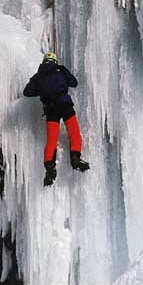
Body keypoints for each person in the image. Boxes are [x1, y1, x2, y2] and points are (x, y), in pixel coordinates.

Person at [24, 51, 90, 186]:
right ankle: (75, 159)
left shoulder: (38, 76)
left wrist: (39, 85)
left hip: (51, 110)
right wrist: (63, 70)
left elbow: (27, 92)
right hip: (64, 105)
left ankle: (49, 170)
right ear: (54, 61)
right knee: (74, 132)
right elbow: (74, 83)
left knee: (52, 140)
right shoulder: (60, 71)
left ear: (43, 62)